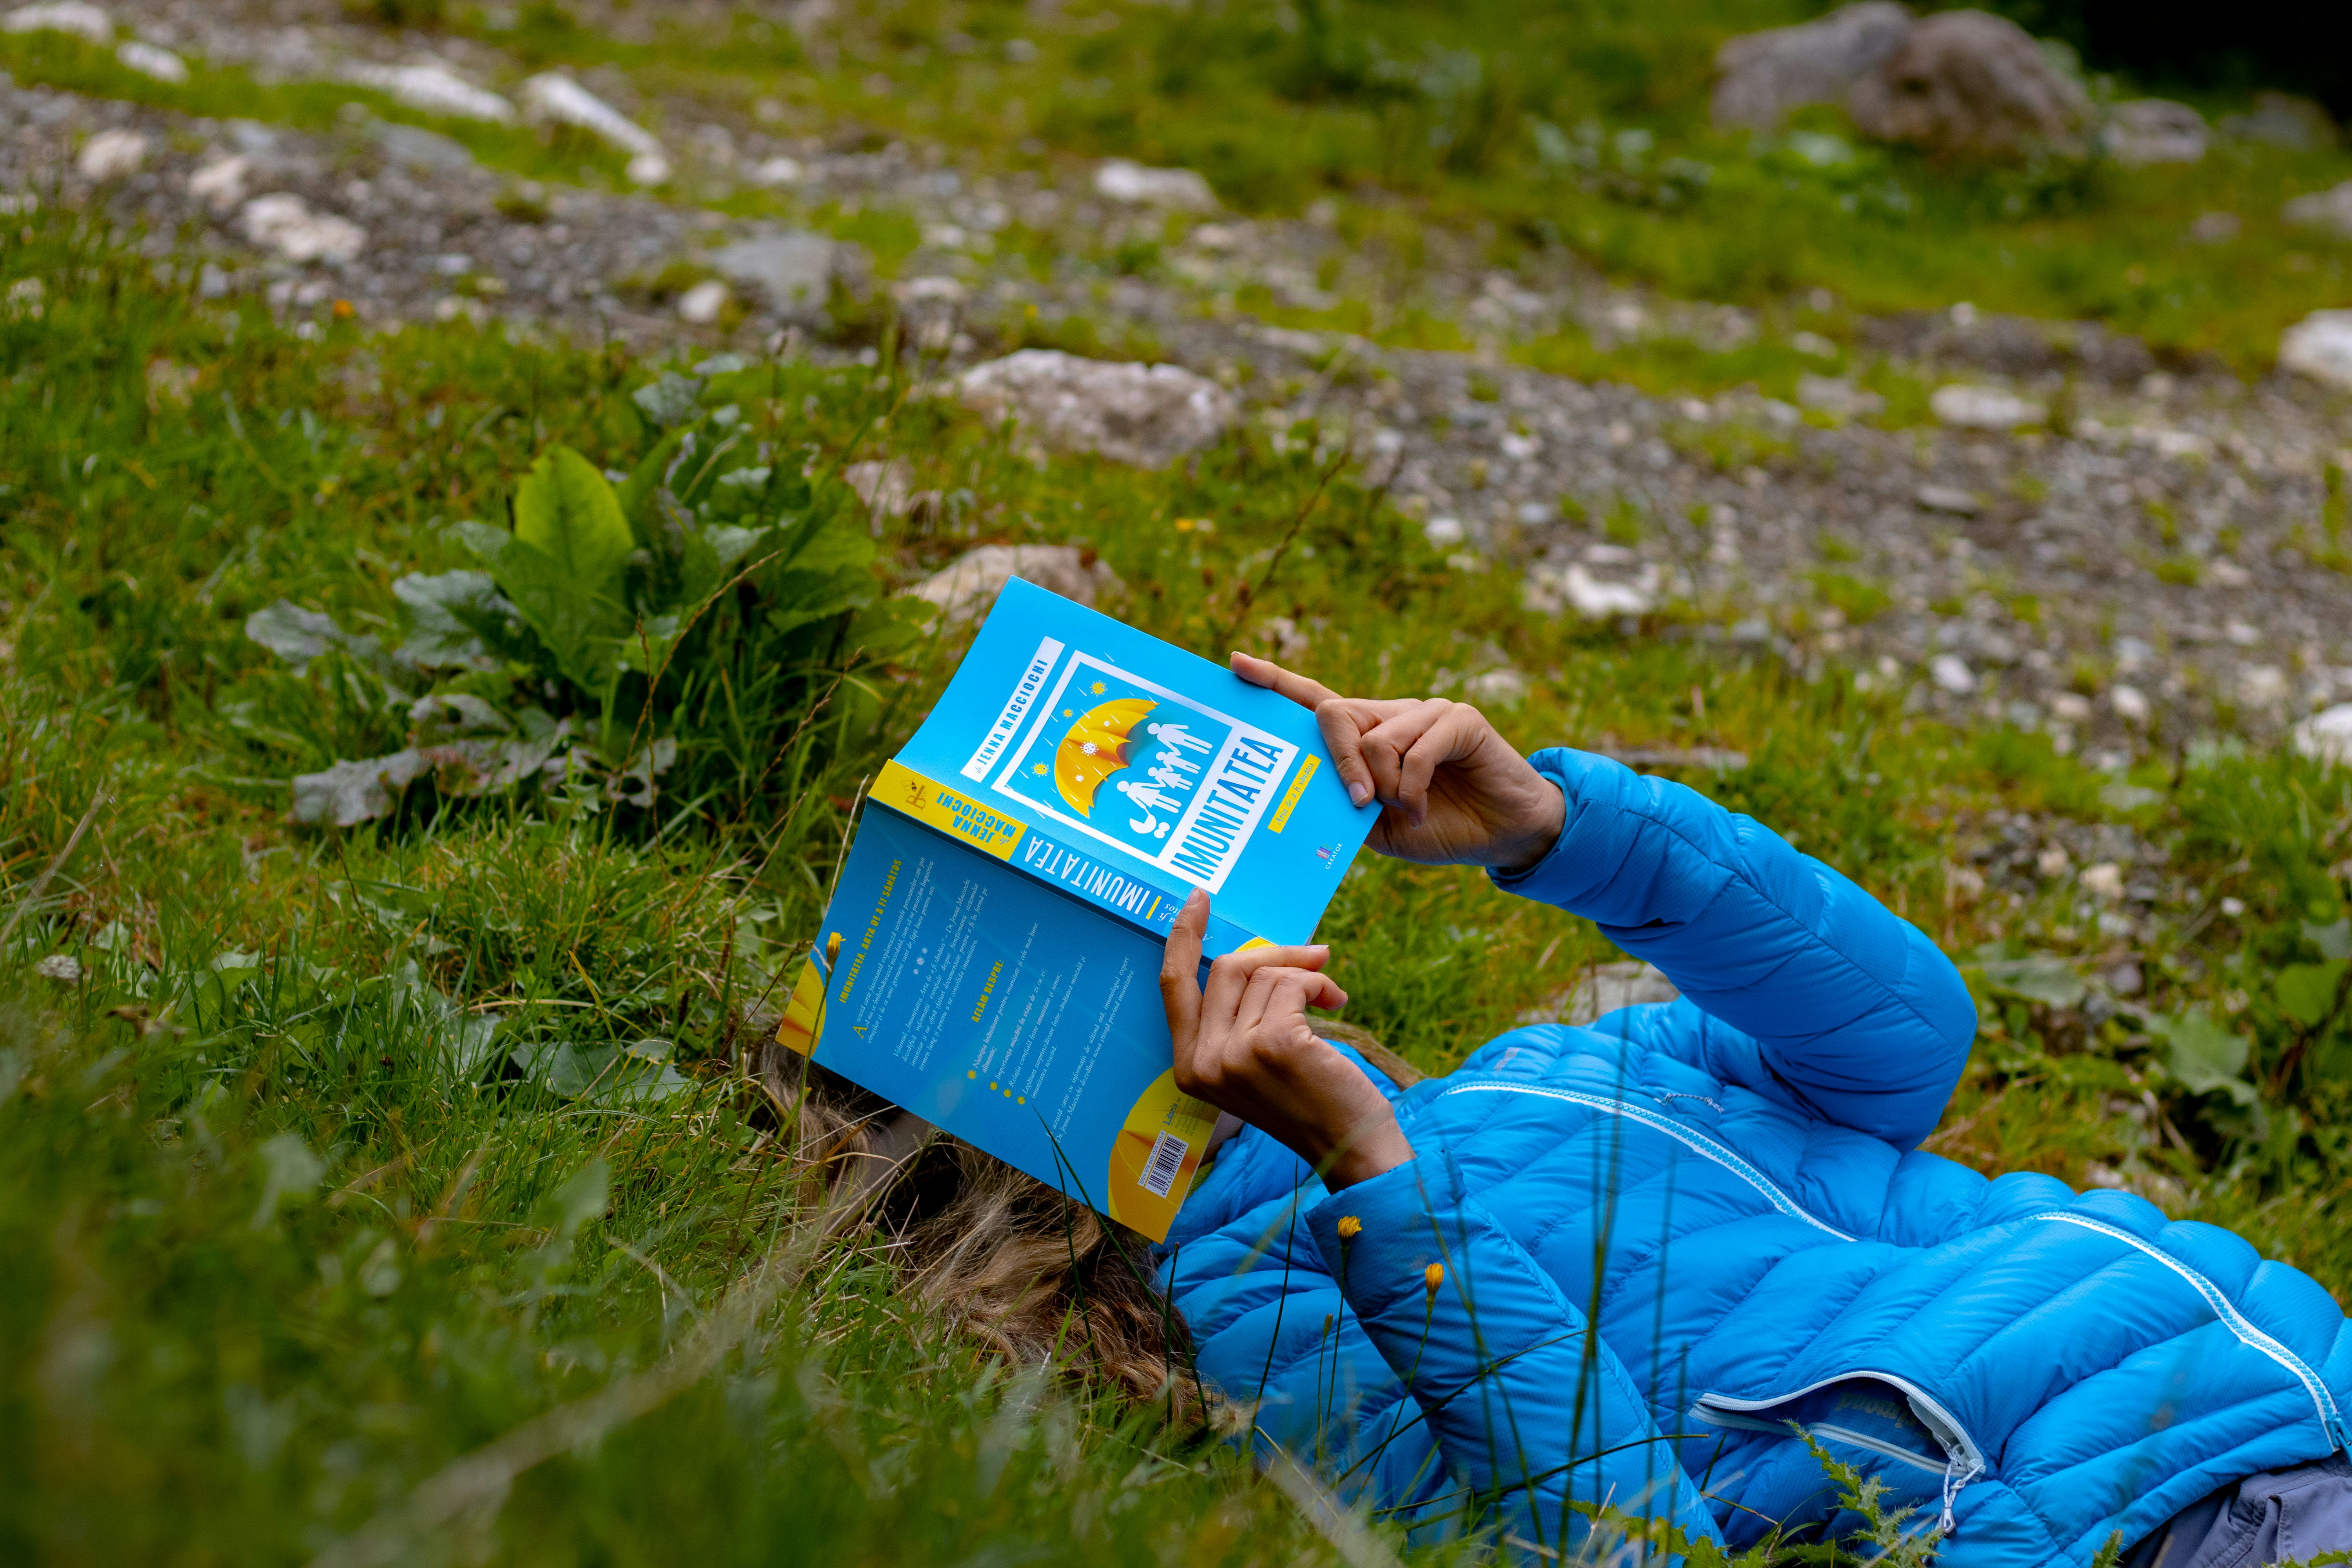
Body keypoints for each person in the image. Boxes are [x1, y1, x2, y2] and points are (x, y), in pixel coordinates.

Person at [1141, 652, 2352, 1566]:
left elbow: (1907, 1036)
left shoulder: (1568, 1061)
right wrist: (1374, 1178)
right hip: (2148, 1522)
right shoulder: (1245, 1317)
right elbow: (1625, 1540)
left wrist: (1566, 830)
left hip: (2304, 1390)